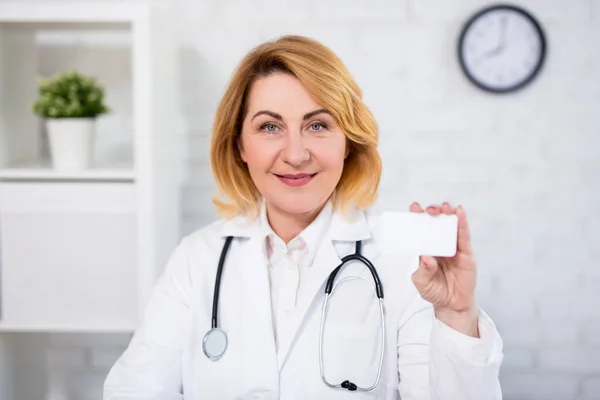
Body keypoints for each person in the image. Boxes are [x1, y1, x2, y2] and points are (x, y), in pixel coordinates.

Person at [103, 35, 504, 399]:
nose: (295, 154)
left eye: (317, 125)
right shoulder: (197, 260)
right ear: (239, 145)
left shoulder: (407, 266)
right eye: (270, 126)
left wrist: (454, 316)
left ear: (348, 142)